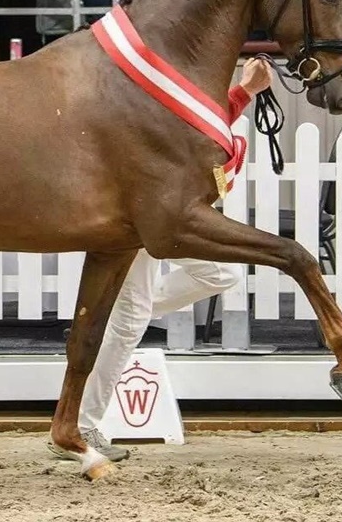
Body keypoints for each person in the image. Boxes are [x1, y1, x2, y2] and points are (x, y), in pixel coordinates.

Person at [48, 40, 275, 462]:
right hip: (139, 209)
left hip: (160, 209)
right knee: (135, 316)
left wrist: (244, 93)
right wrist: (244, 92)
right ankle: (83, 422)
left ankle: (109, 323)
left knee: (222, 274)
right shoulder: (148, 78)